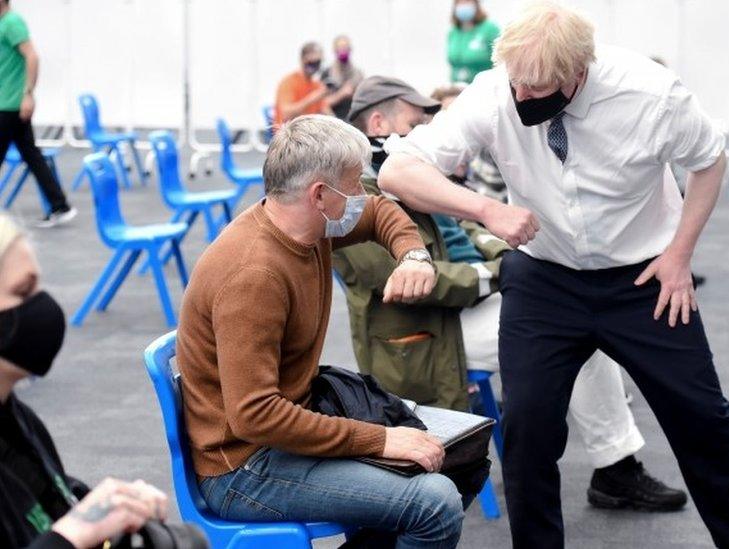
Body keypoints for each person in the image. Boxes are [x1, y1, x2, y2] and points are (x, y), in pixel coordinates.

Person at [379, 2, 729, 548]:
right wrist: (487, 211)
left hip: (643, 281)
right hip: (545, 279)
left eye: (537, 90)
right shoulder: (495, 93)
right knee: (528, 433)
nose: (522, 99)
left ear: (577, 72)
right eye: (517, 85)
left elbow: (709, 161)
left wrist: (680, 254)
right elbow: (398, 168)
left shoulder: (651, 95)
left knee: (704, 419)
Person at [339, 75, 688, 514]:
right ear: (377, 121)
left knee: (574, 324)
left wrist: (503, 255)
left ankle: (614, 467)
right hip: (425, 334)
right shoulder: (352, 196)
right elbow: (410, 282)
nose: (426, 129)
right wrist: (499, 272)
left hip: (463, 313)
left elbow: (463, 225)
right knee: (571, 330)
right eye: (417, 120)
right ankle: (614, 468)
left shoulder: (397, 177)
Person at [177, 114, 467, 548]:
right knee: (433, 502)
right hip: (244, 468)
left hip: (280, 433)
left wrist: (413, 256)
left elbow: (379, 210)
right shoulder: (254, 277)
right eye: (353, 184)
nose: (359, 195)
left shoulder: (306, 227)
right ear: (320, 195)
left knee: (453, 449)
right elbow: (255, 415)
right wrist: (379, 440)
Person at [0, 215, 171, 549]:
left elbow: (48, 501)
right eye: (23, 292)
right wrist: (71, 535)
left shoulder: (16, 420)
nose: (43, 308)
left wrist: (110, 507)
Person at [0, 0, 75, 228]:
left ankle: (59, 204)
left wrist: (28, 94)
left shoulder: (12, 22)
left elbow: (32, 56)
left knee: (31, 154)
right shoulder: (5, 23)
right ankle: (59, 204)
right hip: (8, 103)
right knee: (31, 155)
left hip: (10, 104)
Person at [273, 42, 348, 126]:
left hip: (308, 130)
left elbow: (326, 111)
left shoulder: (316, 85)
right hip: (288, 132)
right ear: (302, 59)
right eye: (311, 61)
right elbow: (286, 114)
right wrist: (313, 98)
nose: (314, 64)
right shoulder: (288, 82)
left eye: (317, 62)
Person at [447, 0, 500, 84]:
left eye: (467, 2)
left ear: (476, 4)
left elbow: (501, 60)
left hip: (484, 86)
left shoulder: (489, 29)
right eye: (460, 3)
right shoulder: (453, 32)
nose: (464, 6)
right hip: (457, 88)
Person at [322, 35, 364, 120]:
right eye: (340, 48)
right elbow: (322, 104)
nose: (343, 51)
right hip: (334, 121)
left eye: (345, 48)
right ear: (335, 50)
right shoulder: (327, 74)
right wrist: (341, 94)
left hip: (353, 122)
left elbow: (364, 101)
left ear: (350, 49)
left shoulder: (358, 75)